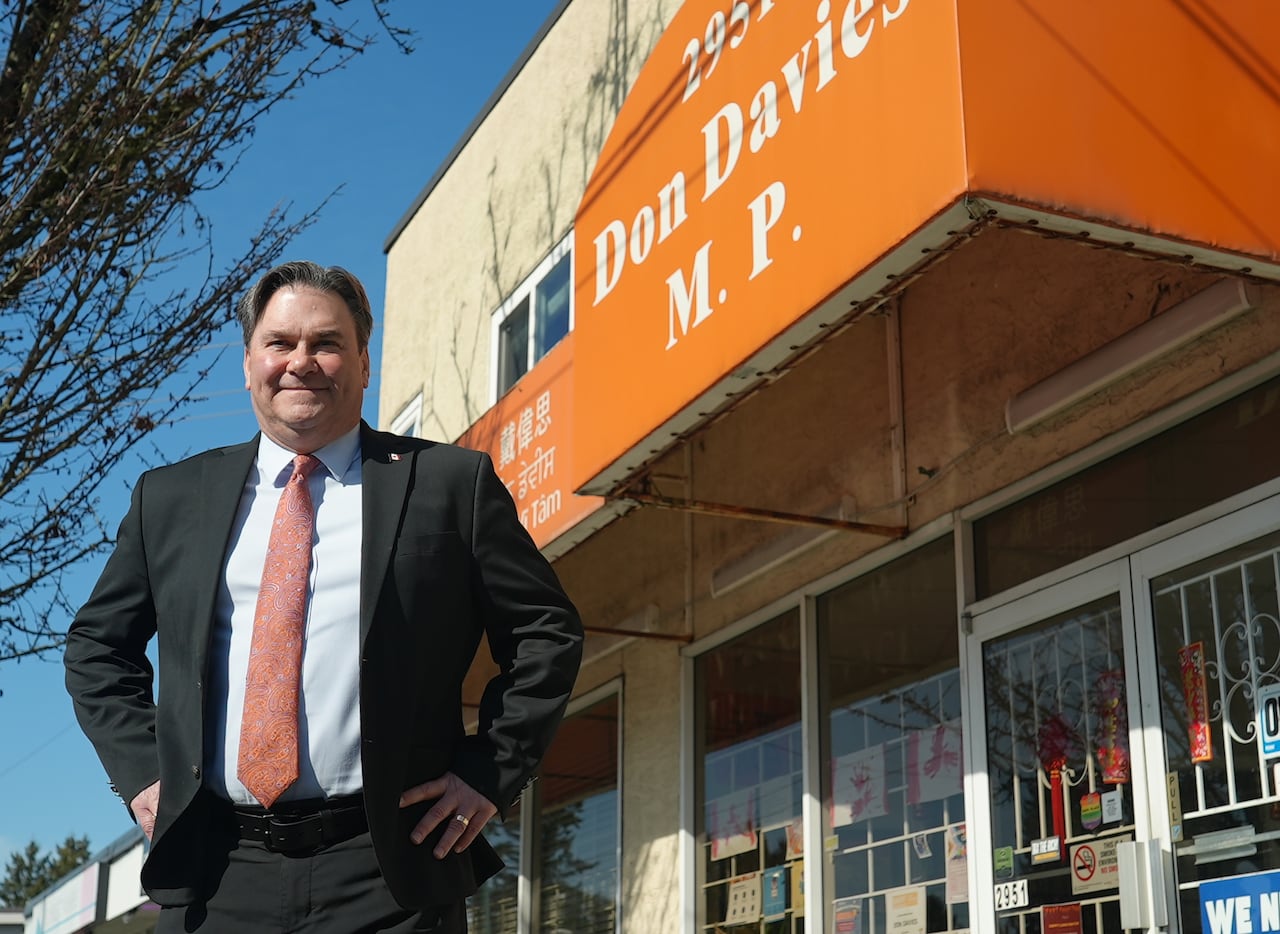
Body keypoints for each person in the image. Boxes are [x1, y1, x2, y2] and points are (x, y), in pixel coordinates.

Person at [64, 261, 583, 933]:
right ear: (249, 362)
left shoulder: (450, 484)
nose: (300, 362)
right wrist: (141, 772)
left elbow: (547, 631)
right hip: (218, 871)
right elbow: (96, 647)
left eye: (327, 343)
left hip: (390, 872)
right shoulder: (169, 499)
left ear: (364, 363)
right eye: (280, 343)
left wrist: (491, 768)